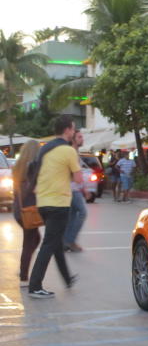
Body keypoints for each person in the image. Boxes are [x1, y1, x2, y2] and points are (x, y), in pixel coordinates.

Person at [28, 115, 82, 298]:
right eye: (73, 129)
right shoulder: (68, 151)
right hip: (59, 203)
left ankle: (67, 278)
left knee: (56, 241)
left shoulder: (46, 149)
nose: (74, 132)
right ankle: (35, 286)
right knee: (50, 243)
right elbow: (79, 179)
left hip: (43, 202)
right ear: (67, 130)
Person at [11, 140, 42, 288]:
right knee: (30, 242)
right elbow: (33, 188)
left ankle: (23, 269)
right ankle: (24, 276)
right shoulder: (32, 167)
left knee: (33, 240)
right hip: (29, 210)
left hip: (18, 209)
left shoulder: (18, 167)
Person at [63, 130, 88, 252]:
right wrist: (84, 189)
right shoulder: (72, 152)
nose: (82, 139)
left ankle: (66, 242)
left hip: (72, 189)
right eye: (79, 137)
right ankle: (70, 241)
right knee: (82, 213)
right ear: (73, 140)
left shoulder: (75, 152)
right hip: (73, 189)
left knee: (72, 216)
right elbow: (74, 174)